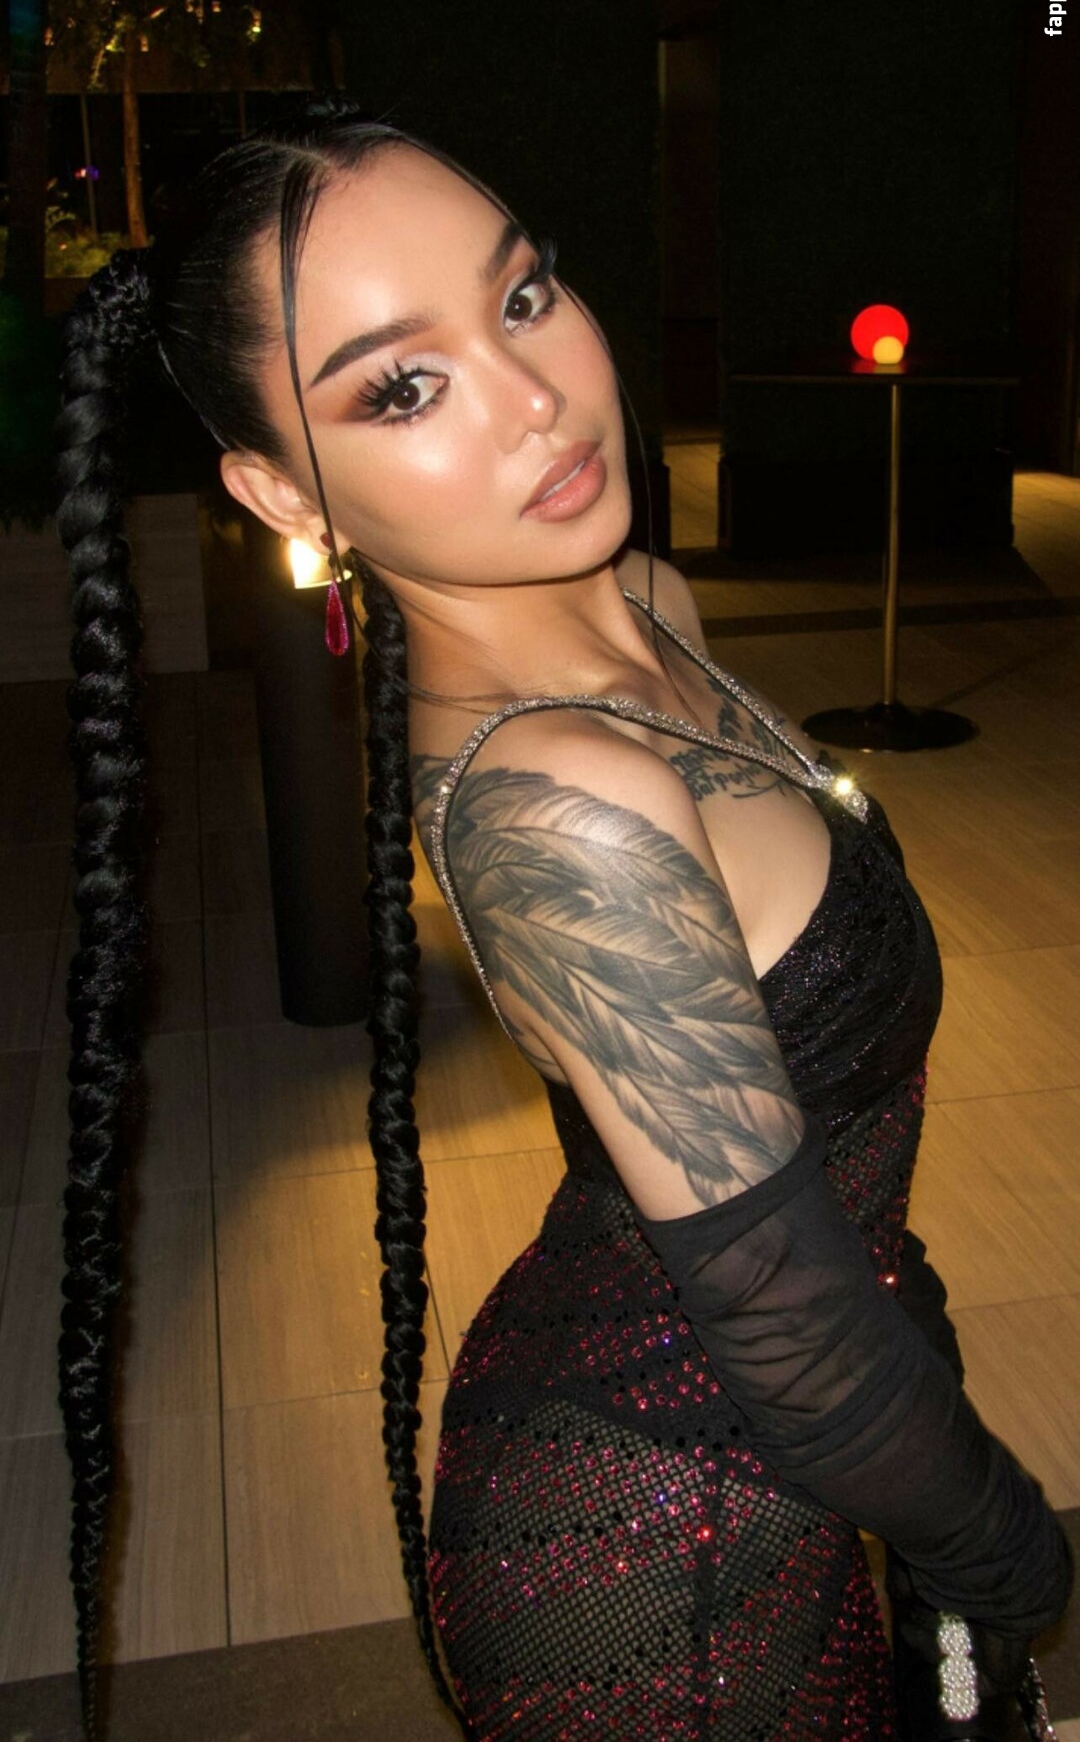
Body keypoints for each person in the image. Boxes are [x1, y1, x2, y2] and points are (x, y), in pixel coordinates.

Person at [55, 103, 1071, 1742]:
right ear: (280, 492)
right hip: (663, 1564)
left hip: (788, 1446)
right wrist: (1016, 1559)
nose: (534, 397)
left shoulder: (648, 606)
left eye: (521, 296)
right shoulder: (560, 800)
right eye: (403, 387)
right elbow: (796, 1338)